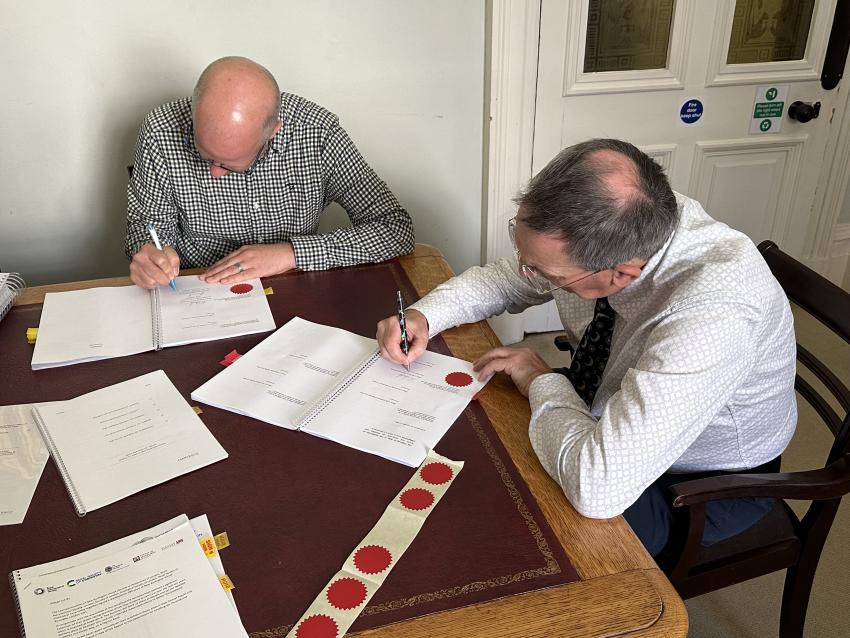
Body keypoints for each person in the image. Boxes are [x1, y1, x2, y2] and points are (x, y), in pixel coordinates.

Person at [376, 138, 797, 556]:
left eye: (543, 272)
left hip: (703, 480)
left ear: (621, 273)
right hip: (605, 411)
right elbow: (509, 278)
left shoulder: (714, 314)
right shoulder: (628, 222)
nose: (527, 272)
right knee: (486, 457)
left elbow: (599, 487)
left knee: (520, 536)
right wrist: (423, 316)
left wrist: (542, 381)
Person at [126, 56, 414, 289]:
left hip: (293, 290)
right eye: (205, 153)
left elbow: (395, 229)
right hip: (198, 295)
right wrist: (150, 257)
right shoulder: (160, 132)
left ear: (274, 132)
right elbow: (147, 228)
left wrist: (292, 254)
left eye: (228, 163)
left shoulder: (317, 133)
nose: (213, 172)